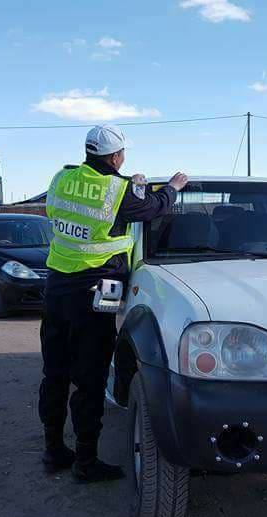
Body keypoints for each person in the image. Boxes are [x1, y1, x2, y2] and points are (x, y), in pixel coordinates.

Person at [38, 124, 188, 483]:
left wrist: (130, 183)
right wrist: (172, 188)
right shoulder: (117, 191)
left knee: (55, 374)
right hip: (94, 294)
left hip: (57, 287)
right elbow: (153, 207)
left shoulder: (62, 178)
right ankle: (86, 462)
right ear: (116, 156)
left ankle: (54, 450)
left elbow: (86, 204)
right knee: (89, 379)